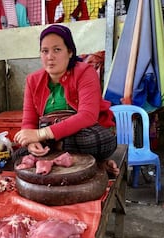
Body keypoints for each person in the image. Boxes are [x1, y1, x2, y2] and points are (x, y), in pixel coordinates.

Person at [13, 24, 119, 176]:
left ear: (70, 52)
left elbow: (87, 116)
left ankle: (55, 153)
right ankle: (92, 163)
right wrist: (32, 142)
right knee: (17, 155)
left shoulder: (85, 72)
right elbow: (29, 122)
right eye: (45, 51)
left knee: (98, 140)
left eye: (57, 49)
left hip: (79, 132)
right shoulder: (32, 80)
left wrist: (42, 135)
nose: (50, 56)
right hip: (51, 139)